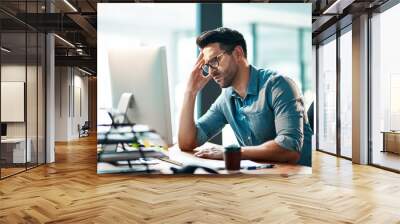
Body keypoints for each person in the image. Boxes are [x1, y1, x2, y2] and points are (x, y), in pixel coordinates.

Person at [177, 27, 312, 166]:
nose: (211, 72)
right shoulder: (226, 99)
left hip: (300, 180)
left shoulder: (278, 86)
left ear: (237, 53)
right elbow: (187, 142)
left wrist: (232, 153)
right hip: (264, 179)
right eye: (207, 66)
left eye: (214, 61)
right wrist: (190, 92)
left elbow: (289, 149)